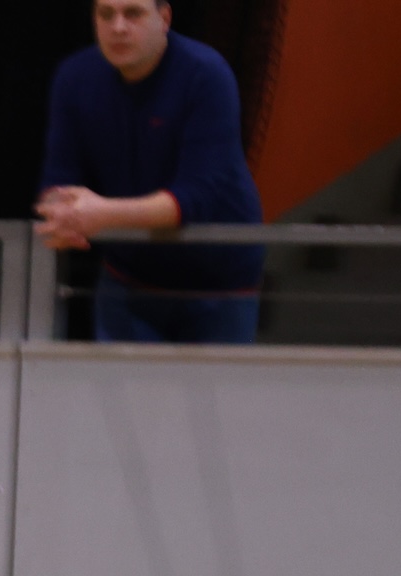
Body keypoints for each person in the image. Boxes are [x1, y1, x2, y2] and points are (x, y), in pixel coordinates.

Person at [37, 0, 267, 344]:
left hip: (219, 281)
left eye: (133, 13)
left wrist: (100, 215)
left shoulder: (206, 74)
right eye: (105, 14)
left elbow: (195, 199)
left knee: (217, 382)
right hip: (127, 276)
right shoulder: (75, 77)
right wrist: (61, 211)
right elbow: (59, 176)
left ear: (165, 18)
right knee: (119, 381)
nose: (117, 27)